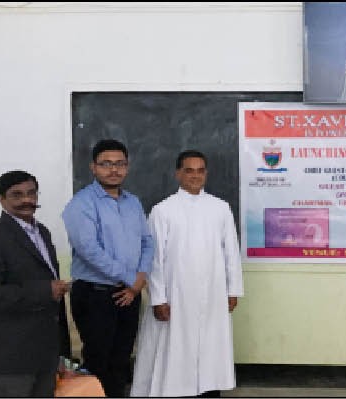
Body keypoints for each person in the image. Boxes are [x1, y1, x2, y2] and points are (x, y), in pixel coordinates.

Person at [131, 150, 244, 397]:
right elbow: (155, 259)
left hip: (213, 295)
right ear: (178, 174)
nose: (195, 176)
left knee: (210, 352)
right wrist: (158, 298)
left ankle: (208, 391)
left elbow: (231, 253)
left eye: (200, 170)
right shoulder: (163, 211)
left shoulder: (220, 208)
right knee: (175, 353)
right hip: (176, 297)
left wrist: (233, 290)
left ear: (206, 173)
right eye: (189, 170)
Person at [0, 171, 71, 397]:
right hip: (11, 358)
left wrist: (60, 351)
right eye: (17, 195)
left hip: (45, 354)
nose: (26, 200)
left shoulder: (42, 232)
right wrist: (45, 290)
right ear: (1, 199)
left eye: (31, 193)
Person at [62, 139, 154, 397]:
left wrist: (140, 279)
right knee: (98, 361)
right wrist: (130, 278)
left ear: (127, 166)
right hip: (95, 295)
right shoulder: (81, 205)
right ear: (93, 167)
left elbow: (147, 242)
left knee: (122, 360)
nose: (114, 170)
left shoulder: (133, 202)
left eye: (120, 164)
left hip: (130, 294)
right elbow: (89, 251)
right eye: (106, 164)